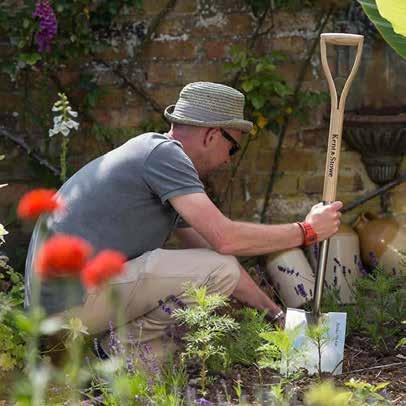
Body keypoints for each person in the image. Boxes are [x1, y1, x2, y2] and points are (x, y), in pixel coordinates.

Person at [24, 81, 342, 358]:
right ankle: (118, 349)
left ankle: (114, 356)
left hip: (56, 310)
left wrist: (276, 317)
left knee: (166, 352)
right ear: (212, 135)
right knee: (216, 276)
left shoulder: (158, 163)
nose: (228, 163)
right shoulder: (165, 155)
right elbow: (225, 240)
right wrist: (308, 231)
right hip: (68, 308)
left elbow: (216, 255)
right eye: (232, 150)